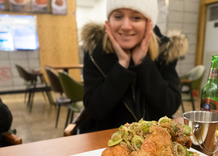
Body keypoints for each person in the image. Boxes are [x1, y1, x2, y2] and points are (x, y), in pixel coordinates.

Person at [76, 0, 188, 133]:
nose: (126, 26)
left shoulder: (165, 51)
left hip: (152, 141)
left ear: (149, 24)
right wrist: (122, 65)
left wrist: (143, 63)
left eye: (136, 18)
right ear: (109, 22)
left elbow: (169, 106)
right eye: (118, 16)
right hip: (107, 140)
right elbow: (95, 110)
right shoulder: (95, 51)